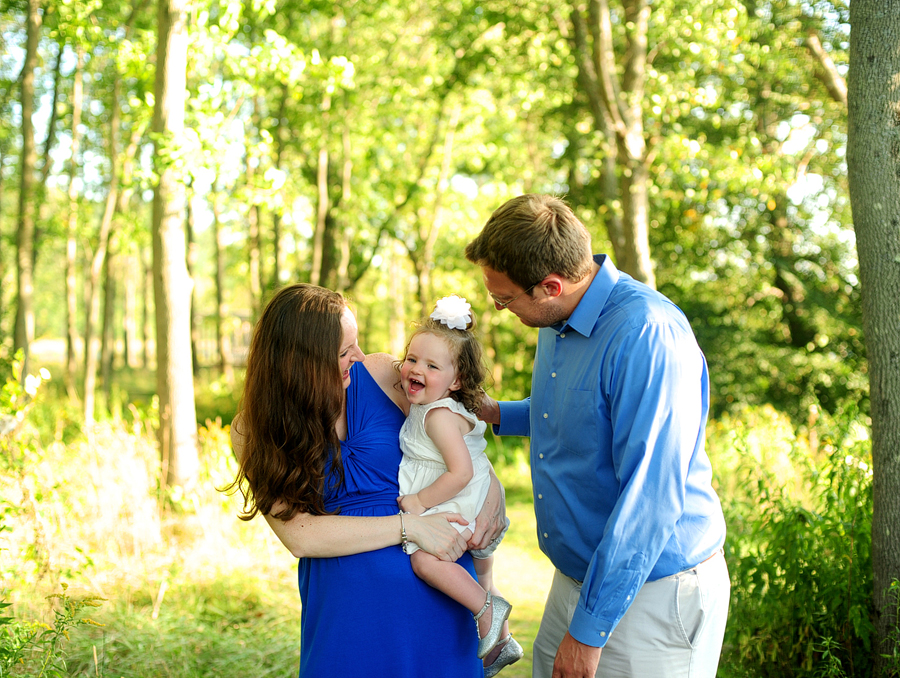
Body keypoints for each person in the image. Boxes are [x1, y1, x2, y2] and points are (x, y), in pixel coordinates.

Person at [464, 194, 731, 678]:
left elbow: (650, 500)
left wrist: (588, 633)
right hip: (578, 579)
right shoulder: (558, 316)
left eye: (504, 300)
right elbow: (568, 415)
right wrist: (490, 412)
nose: (501, 309)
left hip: (652, 591)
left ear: (550, 285)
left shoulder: (648, 335)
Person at [228, 283, 506, 678]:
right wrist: (408, 526)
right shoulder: (252, 431)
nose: (356, 356)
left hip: (439, 596)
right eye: (343, 351)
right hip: (348, 618)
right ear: (300, 362)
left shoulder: (380, 373)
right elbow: (300, 536)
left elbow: (459, 423)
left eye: (355, 344)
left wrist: (491, 488)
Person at [396, 295, 523, 677]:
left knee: (423, 558)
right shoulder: (439, 405)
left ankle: (486, 610)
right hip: (476, 496)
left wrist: (418, 500)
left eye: (432, 366)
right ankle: (502, 641)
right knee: (484, 575)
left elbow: (460, 472)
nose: (416, 369)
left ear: (457, 380)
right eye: (412, 359)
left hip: (460, 498)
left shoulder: (436, 415)